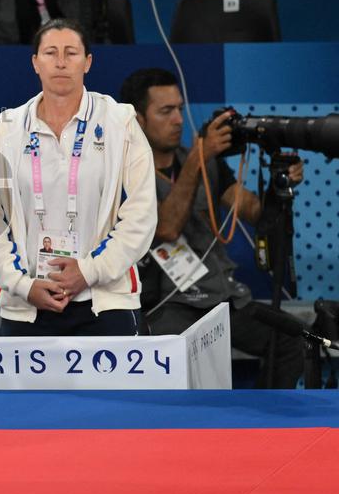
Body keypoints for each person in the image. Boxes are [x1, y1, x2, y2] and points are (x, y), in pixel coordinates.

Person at [119, 68, 304, 388]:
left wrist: (278, 185)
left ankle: (260, 428)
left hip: (220, 298)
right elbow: (165, 229)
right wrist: (197, 159)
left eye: (180, 109)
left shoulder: (203, 161)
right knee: (172, 362)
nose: (178, 119)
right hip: (165, 305)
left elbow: (253, 212)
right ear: (138, 119)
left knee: (291, 341)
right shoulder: (119, 172)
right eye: (166, 111)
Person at [0, 18, 156, 336]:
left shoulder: (119, 121)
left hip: (106, 301)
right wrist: (23, 284)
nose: (60, 62)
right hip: (27, 303)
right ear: (35, 63)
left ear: (87, 62)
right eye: (50, 52)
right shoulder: (5, 128)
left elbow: (141, 213)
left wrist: (87, 271)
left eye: (71, 52)